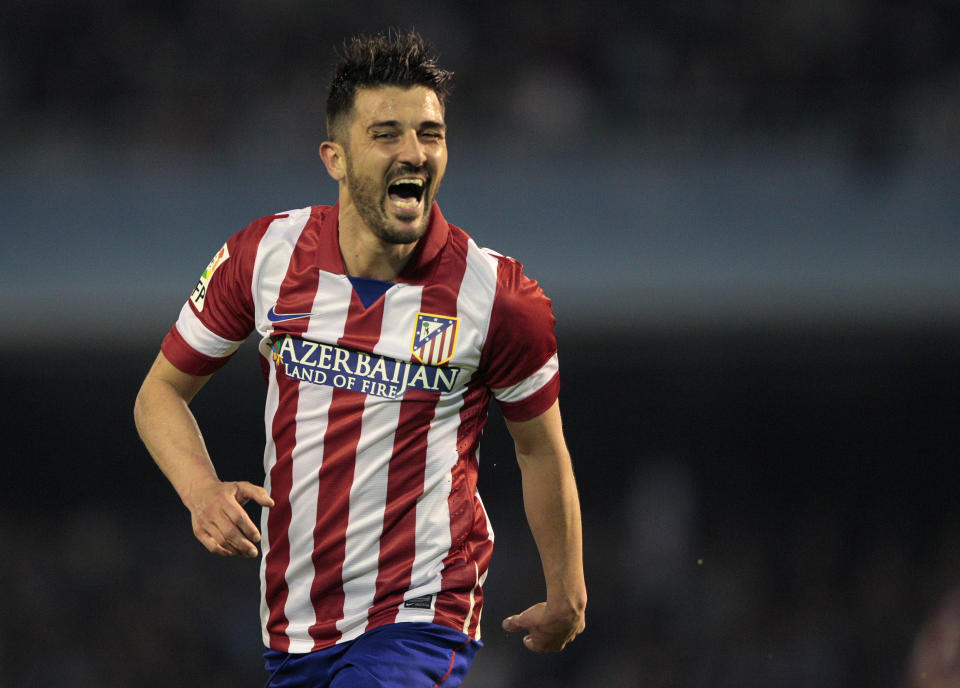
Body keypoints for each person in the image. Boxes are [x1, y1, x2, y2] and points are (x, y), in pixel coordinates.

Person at [134, 30, 586, 688]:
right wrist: (200, 490)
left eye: (431, 134)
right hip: (293, 620)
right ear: (335, 158)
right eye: (387, 134)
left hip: (422, 613)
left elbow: (540, 448)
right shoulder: (266, 256)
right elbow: (159, 394)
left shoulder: (498, 297)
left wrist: (567, 591)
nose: (415, 152)